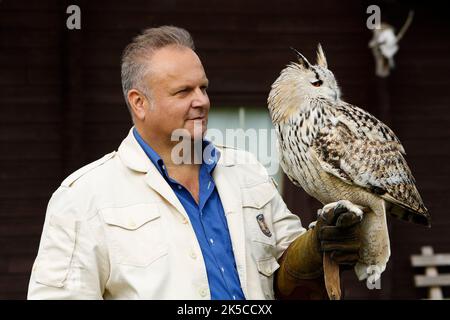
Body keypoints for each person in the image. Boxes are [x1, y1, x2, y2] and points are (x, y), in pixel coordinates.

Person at [27, 26, 361, 300]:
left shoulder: (248, 172)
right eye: (183, 91)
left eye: (203, 87)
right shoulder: (83, 197)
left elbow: (290, 274)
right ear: (139, 103)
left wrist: (316, 251)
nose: (201, 101)